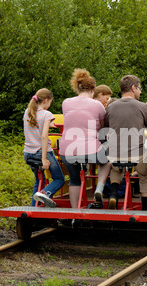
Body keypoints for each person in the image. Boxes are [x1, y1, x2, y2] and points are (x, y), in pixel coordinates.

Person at [59, 69, 112, 208]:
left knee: (74, 180)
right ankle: (99, 188)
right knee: (107, 161)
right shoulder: (97, 105)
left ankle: (75, 212)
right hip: (89, 149)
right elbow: (102, 127)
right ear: (93, 89)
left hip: (66, 150)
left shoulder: (66, 103)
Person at [104, 75, 147, 210]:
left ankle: (113, 194)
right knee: (146, 175)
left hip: (115, 152)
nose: (140, 92)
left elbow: (106, 126)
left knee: (115, 169)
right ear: (133, 88)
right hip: (136, 154)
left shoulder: (111, 107)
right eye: (139, 88)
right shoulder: (141, 106)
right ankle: (145, 207)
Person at [23, 88, 65, 207]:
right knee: (59, 179)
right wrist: (44, 159)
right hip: (41, 152)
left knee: (39, 180)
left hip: (28, 153)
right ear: (46, 100)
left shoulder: (28, 112)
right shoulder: (47, 114)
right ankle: (45, 193)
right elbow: (44, 136)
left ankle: (34, 208)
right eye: (50, 102)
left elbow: (35, 127)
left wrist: (49, 124)